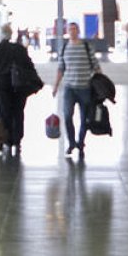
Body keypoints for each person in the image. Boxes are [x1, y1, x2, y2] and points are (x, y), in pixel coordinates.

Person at [0, 24, 35, 156]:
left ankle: (7, 140)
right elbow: (29, 66)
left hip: (2, 85)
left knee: (5, 113)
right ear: (11, 34)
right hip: (19, 85)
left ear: (0, 34)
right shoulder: (20, 49)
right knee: (18, 112)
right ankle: (17, 141)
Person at [53, 22, 100, 160]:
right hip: (69, 89)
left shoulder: (86, 47)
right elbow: (61, 68)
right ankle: (72, 142)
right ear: (68, 31)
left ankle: (81, 142)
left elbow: (96, 66)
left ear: (78, 31)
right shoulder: (64, 48)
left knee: (84, 118)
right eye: (70, 29)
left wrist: (102, 83)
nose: (72, 31)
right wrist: (56, 85)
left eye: (74, 29)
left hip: (85, 88)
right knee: (67, 116)